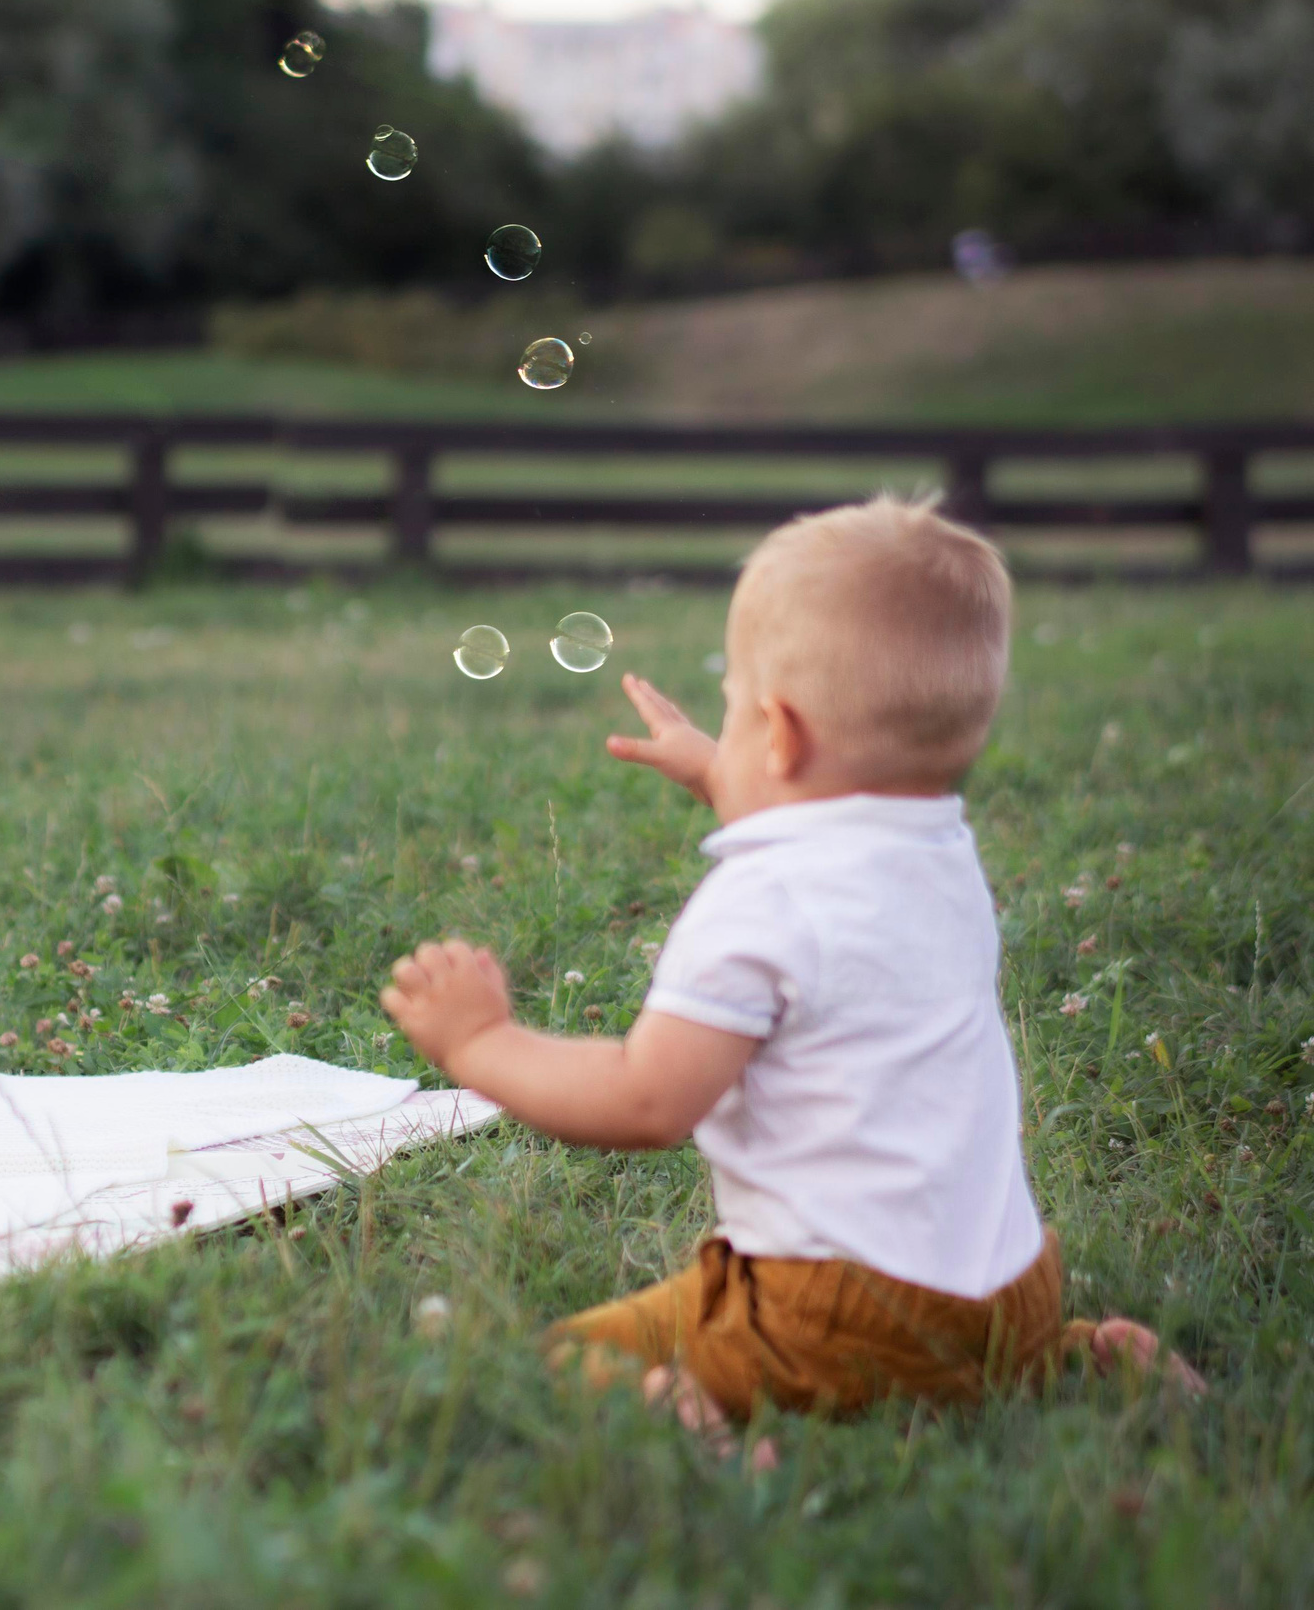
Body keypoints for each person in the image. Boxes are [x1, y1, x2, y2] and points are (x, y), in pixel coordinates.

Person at [382, 496, 1198, 1430]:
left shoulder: (757, 903)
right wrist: (723, 769)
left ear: (778, 731)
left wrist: (480, 1039)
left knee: (571, 1359)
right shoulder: (940, 852)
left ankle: (691, 1414)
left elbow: (647, 1103)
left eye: (731, 709)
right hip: (1013, 1294)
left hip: (836, 1316)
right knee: (984, 1354)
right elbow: (828, 820)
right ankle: (1071, 1358)